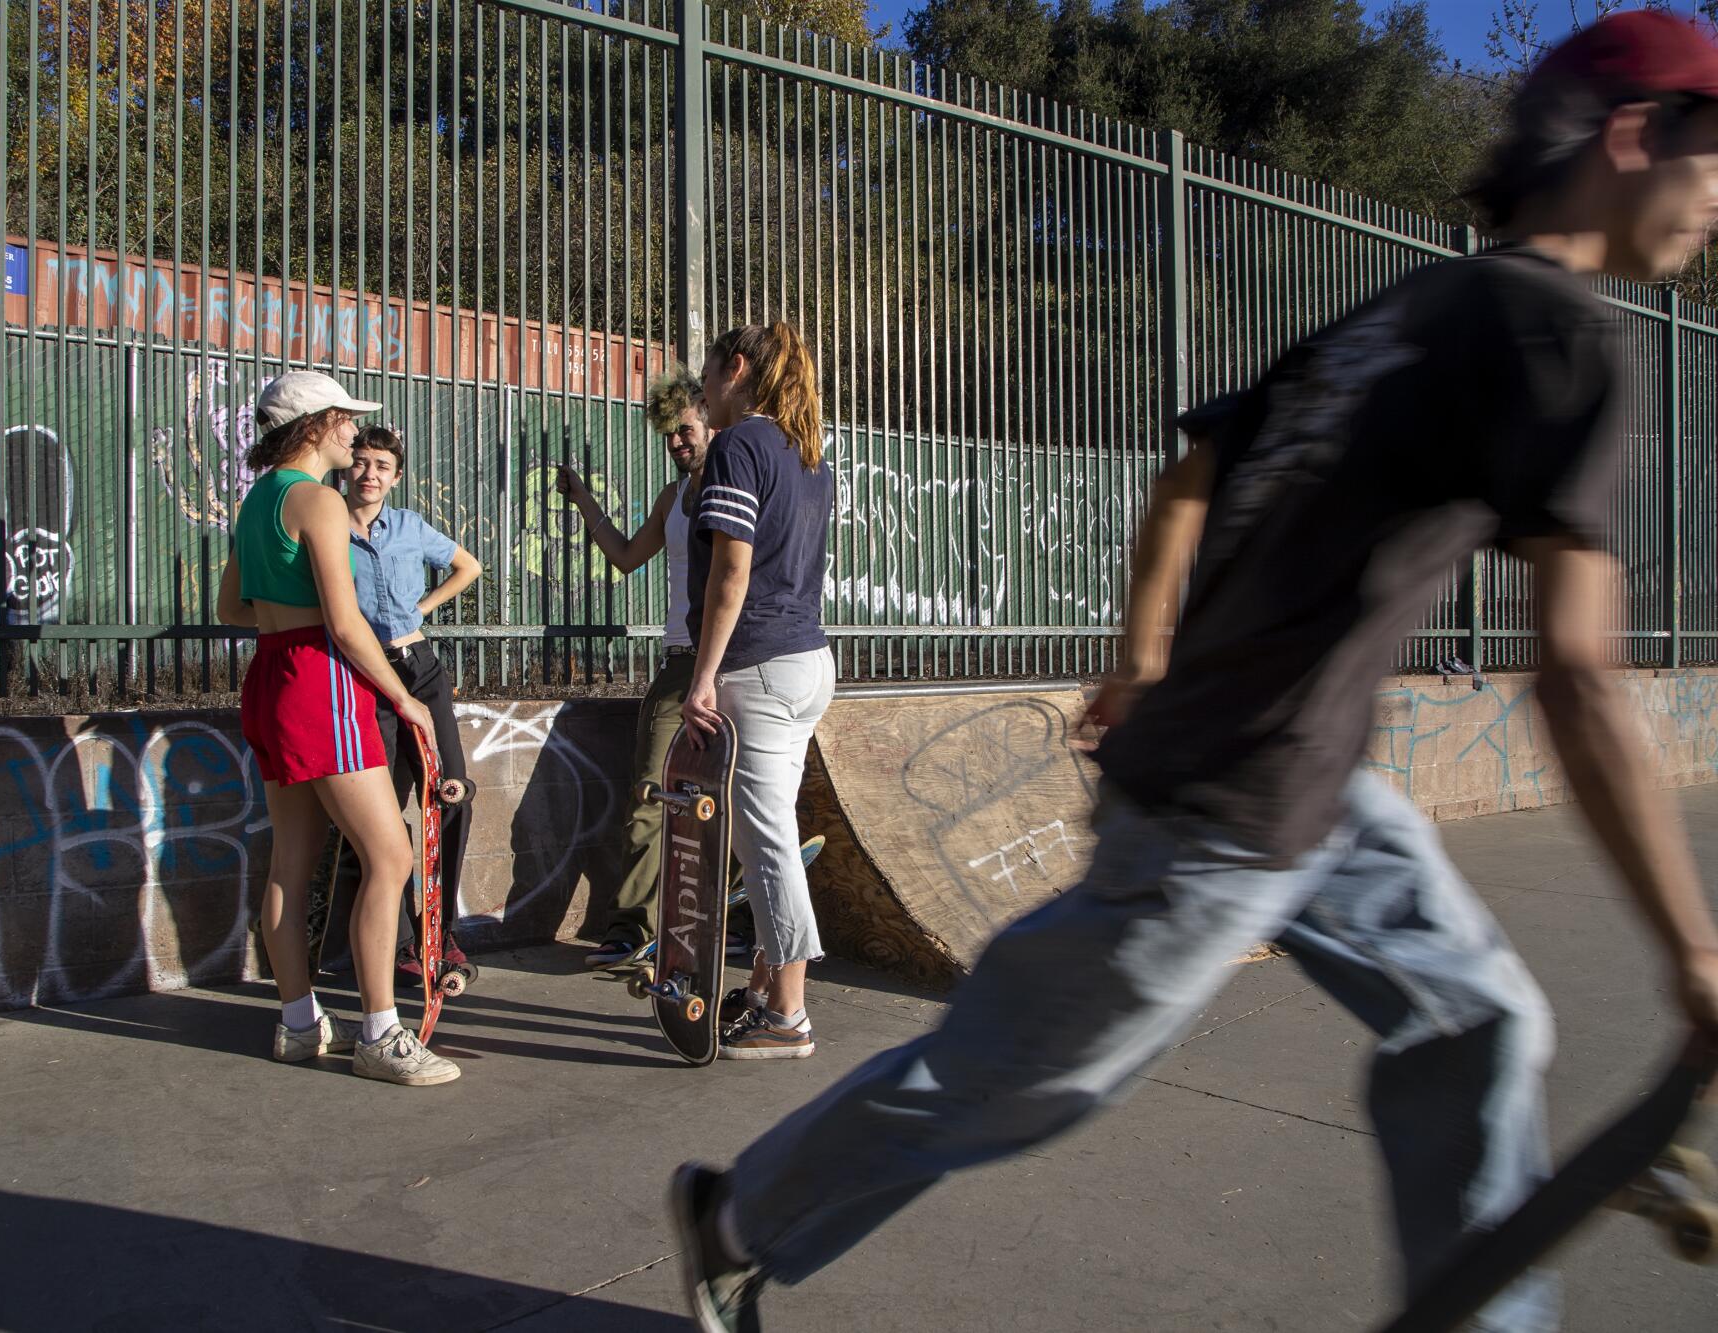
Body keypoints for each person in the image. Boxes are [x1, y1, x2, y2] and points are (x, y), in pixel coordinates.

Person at [668, 13, 1718, 1330]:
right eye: (1714, 157)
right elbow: (1575, 674)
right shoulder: (1561, 337)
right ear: (1635, 136)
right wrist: (1692, 951)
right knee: (1029, 1072)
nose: (1716, 200)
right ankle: (738, 1218)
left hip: (1307, 778)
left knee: (1478, 1016)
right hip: (1230, 802)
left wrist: (1144, 654)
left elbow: (1189, 475)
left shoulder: (1420, 308)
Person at [215, 371, 460, 1087]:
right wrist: (406, 700)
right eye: (347, 420)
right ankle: (381, 1032)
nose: (356, 434)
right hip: (319, 680)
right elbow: (349, 624)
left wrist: (283, 612)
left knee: (291, 863)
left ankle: (298, 1024)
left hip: (268, 674)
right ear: (316, 423)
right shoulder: (318, 501)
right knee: (391, 857)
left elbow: (232, 606)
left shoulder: (257, 501)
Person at [680, 323, 837, 1060]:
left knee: (766, 839)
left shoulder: (739, 446)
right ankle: (765, 989)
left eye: (708, 374)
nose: (702, 390)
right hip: (806, 662)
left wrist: (703, 674)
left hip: (757, 668)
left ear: (735, 369)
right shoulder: (809, 455)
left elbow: (731, 573)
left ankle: (791, 1015)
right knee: (764, 833)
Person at [555, 368, 715, 969]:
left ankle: (740, 922)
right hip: (680, 664)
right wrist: (584, 501)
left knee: (736, 799)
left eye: (686, 430)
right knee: (652, 790)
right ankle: (632, 929)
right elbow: (625, 558)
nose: (677, 443)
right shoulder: (672, 498)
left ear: (710, 420)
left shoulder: (738, 484)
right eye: (669, 436)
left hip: (736, 661)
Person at [333, 422, 484, 987]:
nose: (369, 475)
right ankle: (395, 945)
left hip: (418, 669)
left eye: (381, 467)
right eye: (362, 463)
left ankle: (438, 930)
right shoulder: (327, 526)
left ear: (395, 478)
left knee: (453, 794)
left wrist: (421, 608)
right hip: (361, 678)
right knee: (379, 819)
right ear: (347, 468)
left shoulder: (409, 527)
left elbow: (468, 567)